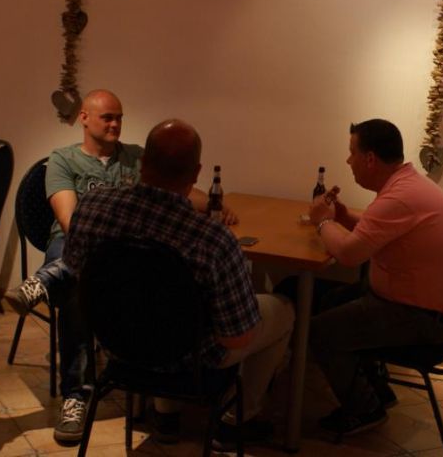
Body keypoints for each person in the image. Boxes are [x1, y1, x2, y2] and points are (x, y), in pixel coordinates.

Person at [6, 90, 236, 443]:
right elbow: (71, 223)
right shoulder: (63, 159)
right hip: (73, 243)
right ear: (83, 118)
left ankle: (44, 282)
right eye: (107, 117)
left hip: (125, 252)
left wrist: (217, 203)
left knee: (134, 269)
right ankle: (75, 395)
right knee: (77, 285)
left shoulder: (136, 157)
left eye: (119, 118)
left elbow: (181, 188)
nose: (115, 124)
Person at [62, 119, 294, 448]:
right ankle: (236, 421)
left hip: (117, 346)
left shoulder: (92, 208)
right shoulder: (212, 239)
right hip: (190, 361)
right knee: (283, 309)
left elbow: (76, 274)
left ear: (142, 163)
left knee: (155, 308)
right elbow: (236, 337)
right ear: (197, 173)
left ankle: (166, 415)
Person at [306, 119, 443, 435]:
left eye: (352, 153)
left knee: (320, 332)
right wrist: (342, 216)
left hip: (424, 318)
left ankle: (365, 409)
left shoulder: (398, 197)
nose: (348, 161)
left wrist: (322, 222)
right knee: (332, 300)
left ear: (370, 159)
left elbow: (349, 254)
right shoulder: (406, 186)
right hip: (425, 307)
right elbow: (375, 228)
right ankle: (376, 391)